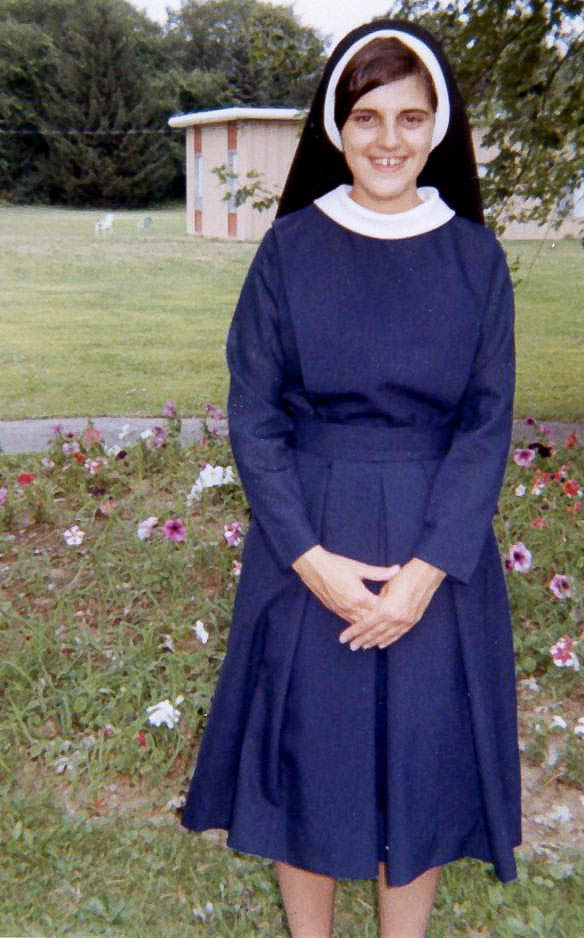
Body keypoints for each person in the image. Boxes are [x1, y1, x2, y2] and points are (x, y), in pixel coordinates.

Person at [181, 19, 521, 937]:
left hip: (433, 550)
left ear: (438, 130)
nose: (388, 141)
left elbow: (487, 425)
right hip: (312, 541)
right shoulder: (290, 251)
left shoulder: (475, 261)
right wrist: (308, 558)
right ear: (337, 127)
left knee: (421, 765)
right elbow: (254, 415)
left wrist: (425, 573)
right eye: (367, 116)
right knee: (314, 769)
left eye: (412, 119)